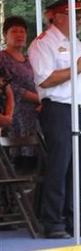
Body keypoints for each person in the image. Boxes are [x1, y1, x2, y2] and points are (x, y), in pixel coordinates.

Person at [28, 0, 81, 238]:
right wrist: (79, 67)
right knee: (60, 165)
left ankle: (77, 218)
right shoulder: (43, 43)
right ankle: (53, 221)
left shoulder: (75, 42)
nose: (80, 20)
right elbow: (45, 79)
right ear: (57, 17)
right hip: (59, 109)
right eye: (74, 15)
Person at [0, 16, 41, 155]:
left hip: (33, 116)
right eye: (14, 31)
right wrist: (39, 98)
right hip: (13, 117)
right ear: (5, 35)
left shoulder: (30, 60)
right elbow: (12, 88)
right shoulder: (2, 58)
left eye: (22, 31)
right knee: (16, 158)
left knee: (35, 157)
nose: (19, 35)